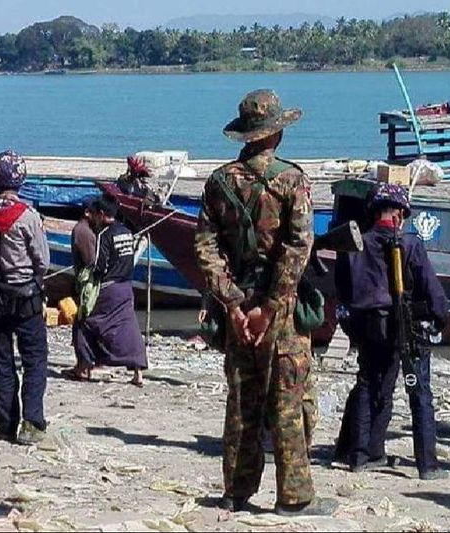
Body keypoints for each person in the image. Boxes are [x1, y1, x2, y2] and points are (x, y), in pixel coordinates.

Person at [195, 89, 336, 516]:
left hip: (238, 308)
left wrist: (234, 304)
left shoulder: (219, 182)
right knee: (288, 400)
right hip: (282, 313)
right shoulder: (292, 180)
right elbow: (298, 248)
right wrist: (271, 306)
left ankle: (236, 491)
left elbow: (205, 245)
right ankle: (293, 496)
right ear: (275, 133)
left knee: (242, 401)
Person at [335, 182, 449, 480]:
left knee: (367, 385)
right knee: (416, 391)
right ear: (399, 214)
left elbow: (342, 291)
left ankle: (363, 455)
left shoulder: (355, 245)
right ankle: (427, 465)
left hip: (364, 324)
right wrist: (440, 318)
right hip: (400, 325)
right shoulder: (410, 245)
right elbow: (431, 289)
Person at [0, 150, 50, 445]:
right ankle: (32, 423)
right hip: (25, 295)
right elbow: (41, 260)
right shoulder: (28, 217)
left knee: (1, 359)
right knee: (34, 360)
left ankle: (5, 424)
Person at [70, 196, 148, 385]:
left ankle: (84, 367)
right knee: (129, 328)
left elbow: (99, 265)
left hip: (108, 289)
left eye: (96, 215)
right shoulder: (126, 231)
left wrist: (87, 276)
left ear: (102, 215)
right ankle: (138, 372)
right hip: (126, 287)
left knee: (84, 322)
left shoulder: (105, 235)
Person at [63, 197, 99, 380]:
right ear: (87, 213)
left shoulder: (85, 230)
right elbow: (91, 261)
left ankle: (85, 363)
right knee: (82, 323)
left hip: (84, 283)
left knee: (84, 323)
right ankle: (84, 364)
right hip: (86, 285)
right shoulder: (83, 232)